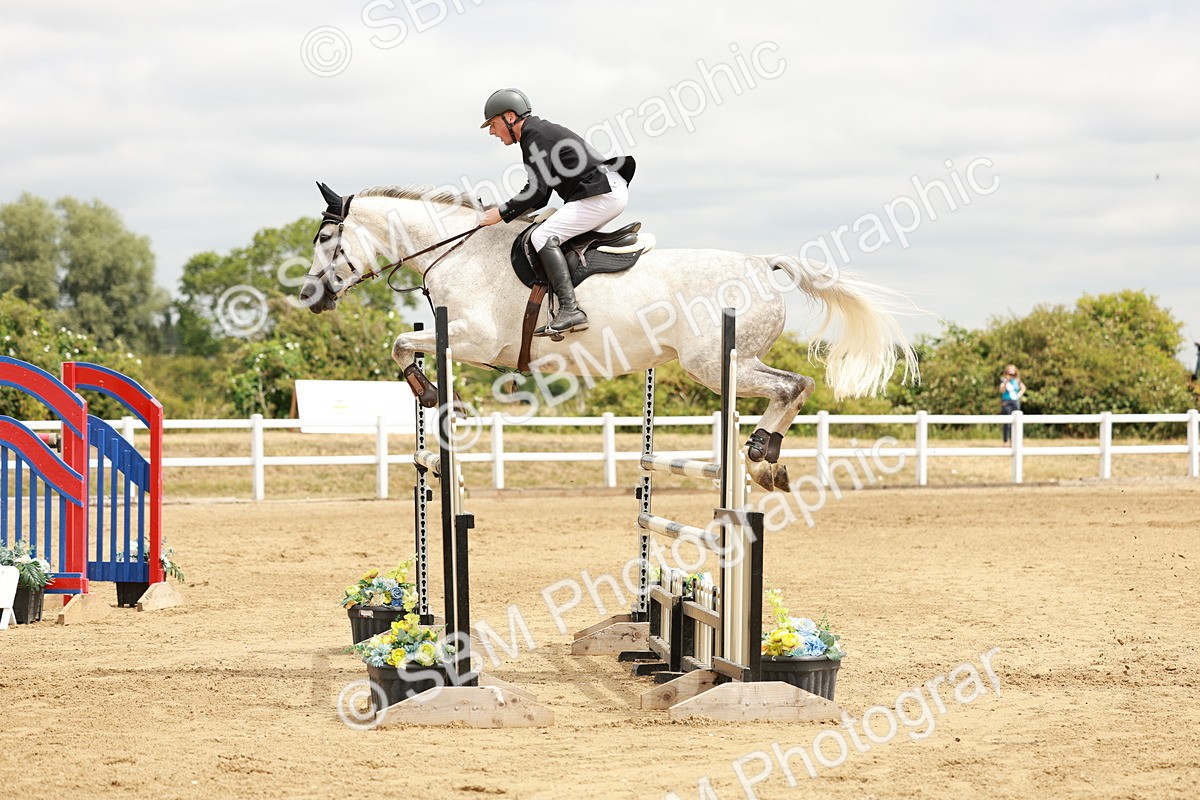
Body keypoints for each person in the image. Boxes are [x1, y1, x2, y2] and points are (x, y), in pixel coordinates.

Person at [478, 88, 635, 337]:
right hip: (605, 190)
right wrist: (508, 212)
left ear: (510, 117)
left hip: (602, 194)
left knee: (541, 236)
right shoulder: (536, 133)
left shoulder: (533, 135)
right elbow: (541, 196)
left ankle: (570, 309)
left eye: (493, 124)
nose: (491, 131)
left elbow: (537, 190)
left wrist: (501, 212)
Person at [998, 364, 1026, 444]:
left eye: (1012, 373)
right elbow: (1001, 390)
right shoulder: (1003, 380)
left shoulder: (1017, 380)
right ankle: (1005, 441)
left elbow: (1023, 388)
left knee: (1016, 423)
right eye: (1009, 373)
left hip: (1015, 402)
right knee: (1007, 422)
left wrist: (1018, 395)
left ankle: (1014, 442)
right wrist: (1006, 382)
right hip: (1006, 402)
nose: (1011, 375)